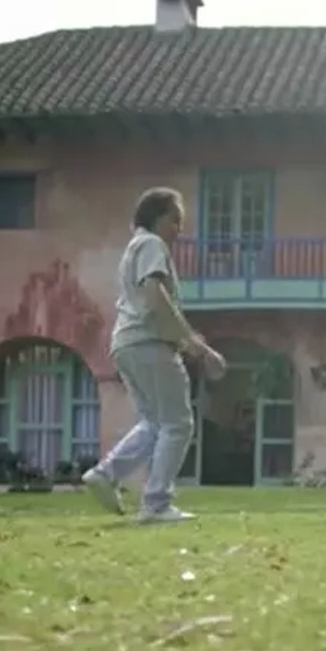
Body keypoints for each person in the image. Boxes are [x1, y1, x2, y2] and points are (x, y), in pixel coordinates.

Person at [80, 187, 226, 523]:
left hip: (128, 344)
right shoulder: (150, 244)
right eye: (175, 220)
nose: (179, 229)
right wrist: (192, 343)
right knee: (178, 423)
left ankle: (106, 474)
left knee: (156, 422)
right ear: (157, 217)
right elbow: (154, 294)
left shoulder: (136, 247)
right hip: (148, 344)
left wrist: (190, 341)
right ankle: (156, 503)